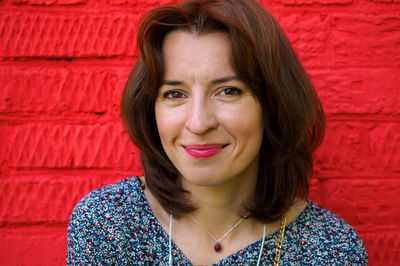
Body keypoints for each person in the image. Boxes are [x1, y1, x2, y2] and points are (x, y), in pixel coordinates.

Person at [67, 0, 368, 264]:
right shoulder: (108, 223)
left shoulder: (333, 249)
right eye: (174, 94)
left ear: (273, 106)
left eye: (228, 91)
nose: (198, 123)